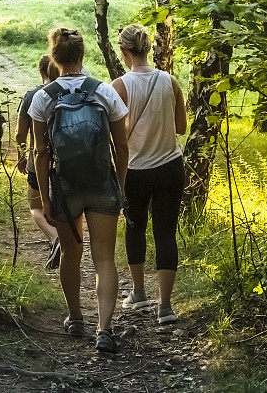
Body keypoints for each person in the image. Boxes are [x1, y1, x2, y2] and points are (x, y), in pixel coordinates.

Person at [29, 28, 129, 353]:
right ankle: (104, 330)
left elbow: (41, 153)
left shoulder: (44, 96)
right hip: (102, 184)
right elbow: (123, 145)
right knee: (104, 259)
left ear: (54, 58)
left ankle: (75, 320)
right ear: (83, 56)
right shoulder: (103, 91)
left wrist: (45, 199)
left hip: (64, 186)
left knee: (71, 255)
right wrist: (119, 186)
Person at [112, 24, 187, 325]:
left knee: (135, 229)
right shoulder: (171, 81)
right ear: (147, 48)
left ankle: (140, 293)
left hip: (136, 170)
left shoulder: (119, 86)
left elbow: (115, 136)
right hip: (170, 167)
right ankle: (165, 306)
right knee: (166, 232)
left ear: (124, 51)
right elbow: (181, 127)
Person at [16, 55, 62, 269]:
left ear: (41, 71)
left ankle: (55, 238)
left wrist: (21, 156)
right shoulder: (69, 91)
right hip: (66, 162)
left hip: (38, 161)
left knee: (35, 205)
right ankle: (67, 241)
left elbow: (19, 134)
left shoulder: (32, 95)